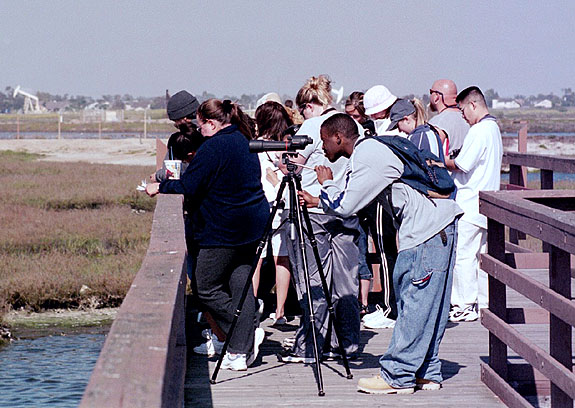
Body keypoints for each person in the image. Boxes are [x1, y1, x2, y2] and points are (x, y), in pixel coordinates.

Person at [305, 112, 462, 394]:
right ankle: (427, 372)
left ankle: (397, 376)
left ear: (338, 138)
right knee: (431, 306)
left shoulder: (368, 155)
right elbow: (359, 196)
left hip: (426, 231)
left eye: (324, 141)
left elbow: (345, 206)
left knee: (414, 302)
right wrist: (320, 200)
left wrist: (325, 184)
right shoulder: (376, 146)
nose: (323, 148)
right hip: (441, 225)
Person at [146, 99, 269, 371]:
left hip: (224, 229)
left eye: (200, 126)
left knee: (205, 287)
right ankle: (240, 352)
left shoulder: (213, 147)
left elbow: (190, 185)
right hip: (252, 226)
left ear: (211, 124)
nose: (198, 131)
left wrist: (159, 186)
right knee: (240, 286)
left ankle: (243, 335)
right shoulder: (241, 138)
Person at [278, 75, 362, 363]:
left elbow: (293, 167)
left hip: (313, 211)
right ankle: (348, 342)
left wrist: (283, 162)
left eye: (303, 107)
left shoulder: (312, 128)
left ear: (312, 103)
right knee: (346, 281)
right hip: (346, 210)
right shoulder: (354, 126)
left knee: (315, 281)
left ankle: (312, 344)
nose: (301, 113)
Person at [445, 86, 503, 322]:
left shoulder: (479, 131)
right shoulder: (494, 129)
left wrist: (441, 162)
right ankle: (484, 303)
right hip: (486, 203)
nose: (463, 116)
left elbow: (462, 164)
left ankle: (463, 304)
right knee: (481, 256)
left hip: (469, 202)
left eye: (462, 110)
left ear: (473, 105)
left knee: (464, 255)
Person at [252, 101, 293, 326]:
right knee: (282, 258)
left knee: (255, 258)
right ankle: (280, 311)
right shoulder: (287, 146)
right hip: (284, 203)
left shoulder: (256, 147)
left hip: (261, 204)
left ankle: (252, 305)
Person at [151, 90, 203, 183]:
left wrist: (157, 176)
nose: (176, 125)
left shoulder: (183, 139)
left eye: (176, 121)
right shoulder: (213, 134)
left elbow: (171, 172)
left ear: (185, 119)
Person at [428, 79, 470, 159]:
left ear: (436, 97)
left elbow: (431, 155)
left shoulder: (437, 123)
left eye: (431, 92)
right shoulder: (469, 119)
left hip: (447, 170)